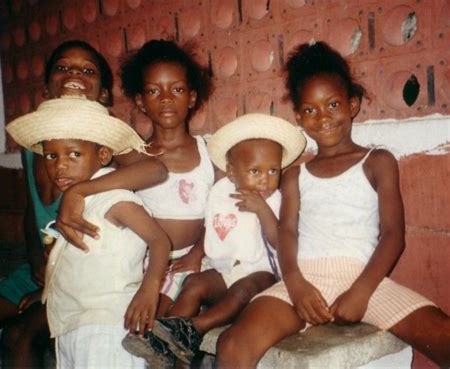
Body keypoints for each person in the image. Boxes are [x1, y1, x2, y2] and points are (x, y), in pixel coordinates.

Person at [214, 41, 450, 369]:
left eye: (333, 104)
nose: (322, 117)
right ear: (298, 117)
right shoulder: (295, 175)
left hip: (367, 281)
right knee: (233, 344)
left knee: (442, 334)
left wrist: (361, 292)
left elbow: (393, 235)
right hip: (303, 281)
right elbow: (288, 234)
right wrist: (295, 286)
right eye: (310, 110)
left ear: (352, 104)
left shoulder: (377, 161)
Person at [0, 39, 166, 369]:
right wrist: (36, 257)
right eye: (62, 67)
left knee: (18, 337)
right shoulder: (38, 147)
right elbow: (29, 210)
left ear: (104, 94)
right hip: (47, 269)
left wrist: (79, 192)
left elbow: (155, 168)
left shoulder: (102, 143)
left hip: (88, 280)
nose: (73, 73)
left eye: (87, 70)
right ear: (47, 88)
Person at [123, 113, 306, 366]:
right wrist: (197, 254)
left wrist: (262, 209)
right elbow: (211, 227)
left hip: (263, 274)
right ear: (231, 172)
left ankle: (193, 328)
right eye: (255, 171)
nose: (265, 179)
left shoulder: (276, 198)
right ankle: (164, 338)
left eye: (273, 170)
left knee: (242, 290)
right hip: (223, 271)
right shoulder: (221, 192)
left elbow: (280, 243)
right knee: (195, 284)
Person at [5, 95, 171, 369]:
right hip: (73, 325)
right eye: (51, 155)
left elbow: (159, 240)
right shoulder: (76, 205)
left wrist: (149, 289)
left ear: (103, 156)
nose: (59, 166)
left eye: (74, 154)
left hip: (106, 328)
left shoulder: (114, 199)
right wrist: (51, 292)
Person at [118, 39, 215, 317]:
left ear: (192, 97)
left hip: (195, 260)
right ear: (140, 101)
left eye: (177, 89)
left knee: (168, 320)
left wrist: (197, 253)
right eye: (153, 90)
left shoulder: (208, 153)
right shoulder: (131, 157)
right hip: (143, 264)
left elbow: (221, 210)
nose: (166, 98)